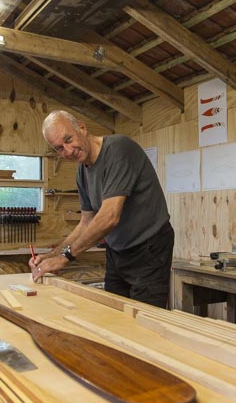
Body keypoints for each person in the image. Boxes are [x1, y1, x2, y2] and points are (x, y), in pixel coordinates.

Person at [29, 110, 174, 308]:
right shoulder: (82, 170)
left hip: (149, 248)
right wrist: (53, 255)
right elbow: (86, 222)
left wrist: (66, 258)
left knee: (146, 319)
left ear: (82, 127)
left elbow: (109, 217)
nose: (68, 151)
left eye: (68, 139)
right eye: (59, 148)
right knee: (113, 312)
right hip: (117, 251)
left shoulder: (119, 150)